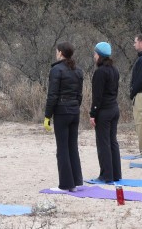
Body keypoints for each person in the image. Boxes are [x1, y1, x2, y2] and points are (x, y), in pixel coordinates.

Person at [44, 41, 84, 192]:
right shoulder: (78, 70)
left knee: (62, 148)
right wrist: (75, 107)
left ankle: (66, 185)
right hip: (74, 111)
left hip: (62, 112)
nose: (56, 53)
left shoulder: (56, 70)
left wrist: (47, 115)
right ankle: (76, 181)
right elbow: (80, 95)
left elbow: (52, 95)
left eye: (57, 51)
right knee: (72, 146)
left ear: (60, 53)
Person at [89, 42, 122, 183]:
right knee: (112, 142)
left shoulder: (100, 72)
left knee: (104, 144)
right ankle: (116, 174)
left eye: (95, 53)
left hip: (104, 111)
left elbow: (97, 96)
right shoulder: (114, 70)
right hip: (114, 109)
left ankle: (106, 175)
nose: (94, 56)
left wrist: (93, 114)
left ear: (100, 55)